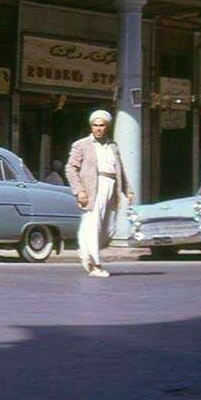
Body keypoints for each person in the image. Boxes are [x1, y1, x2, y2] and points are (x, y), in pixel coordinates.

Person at [65, 110, 134, 278]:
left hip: (111, 187)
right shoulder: (81, 145)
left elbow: (120, 169)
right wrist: (79, 190)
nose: (98, 129)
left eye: (102, 125)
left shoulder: (113, 146)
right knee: (92, 223)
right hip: (92, 187)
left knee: (107, 227)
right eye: (95, 125)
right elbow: (71, 168)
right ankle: (95, 264)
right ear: (91, 126)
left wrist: (127, 190)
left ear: (107, 127)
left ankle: (85, 250)